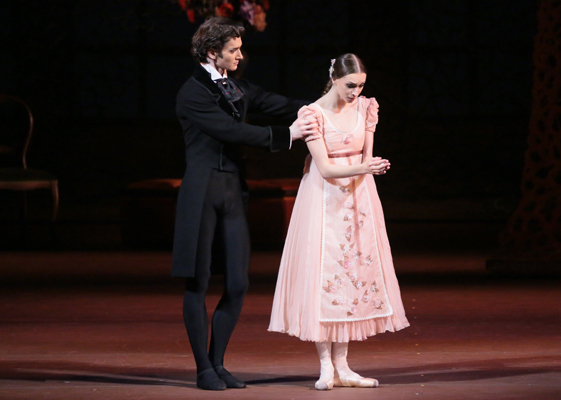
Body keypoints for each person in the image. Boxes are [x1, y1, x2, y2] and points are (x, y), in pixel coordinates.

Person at [171, 17, 317, 391]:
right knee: (198, 281)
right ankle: (203, 368)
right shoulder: (192, 93)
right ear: (211, 53)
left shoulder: (236, 85)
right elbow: (230, 130)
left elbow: (279, 104)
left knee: (237, 282)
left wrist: (330, 104)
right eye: (233, 50)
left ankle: (218, 363)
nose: (240, 55)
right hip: (202, 190)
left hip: (232, 191)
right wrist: (286, 136)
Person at [268, 54, 410, 390]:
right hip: (323, 198)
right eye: (350, 85)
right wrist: (365, 169)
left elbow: (366, 156)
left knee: (352, 276)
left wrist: (370, 168)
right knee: (324, 275)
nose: (356, 91)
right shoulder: (313, 115)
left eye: (361, 85)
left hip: (359, 198)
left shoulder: (365, 108)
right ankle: (325, 366)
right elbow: (327, 168)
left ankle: (344, 366)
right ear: (334, 79)